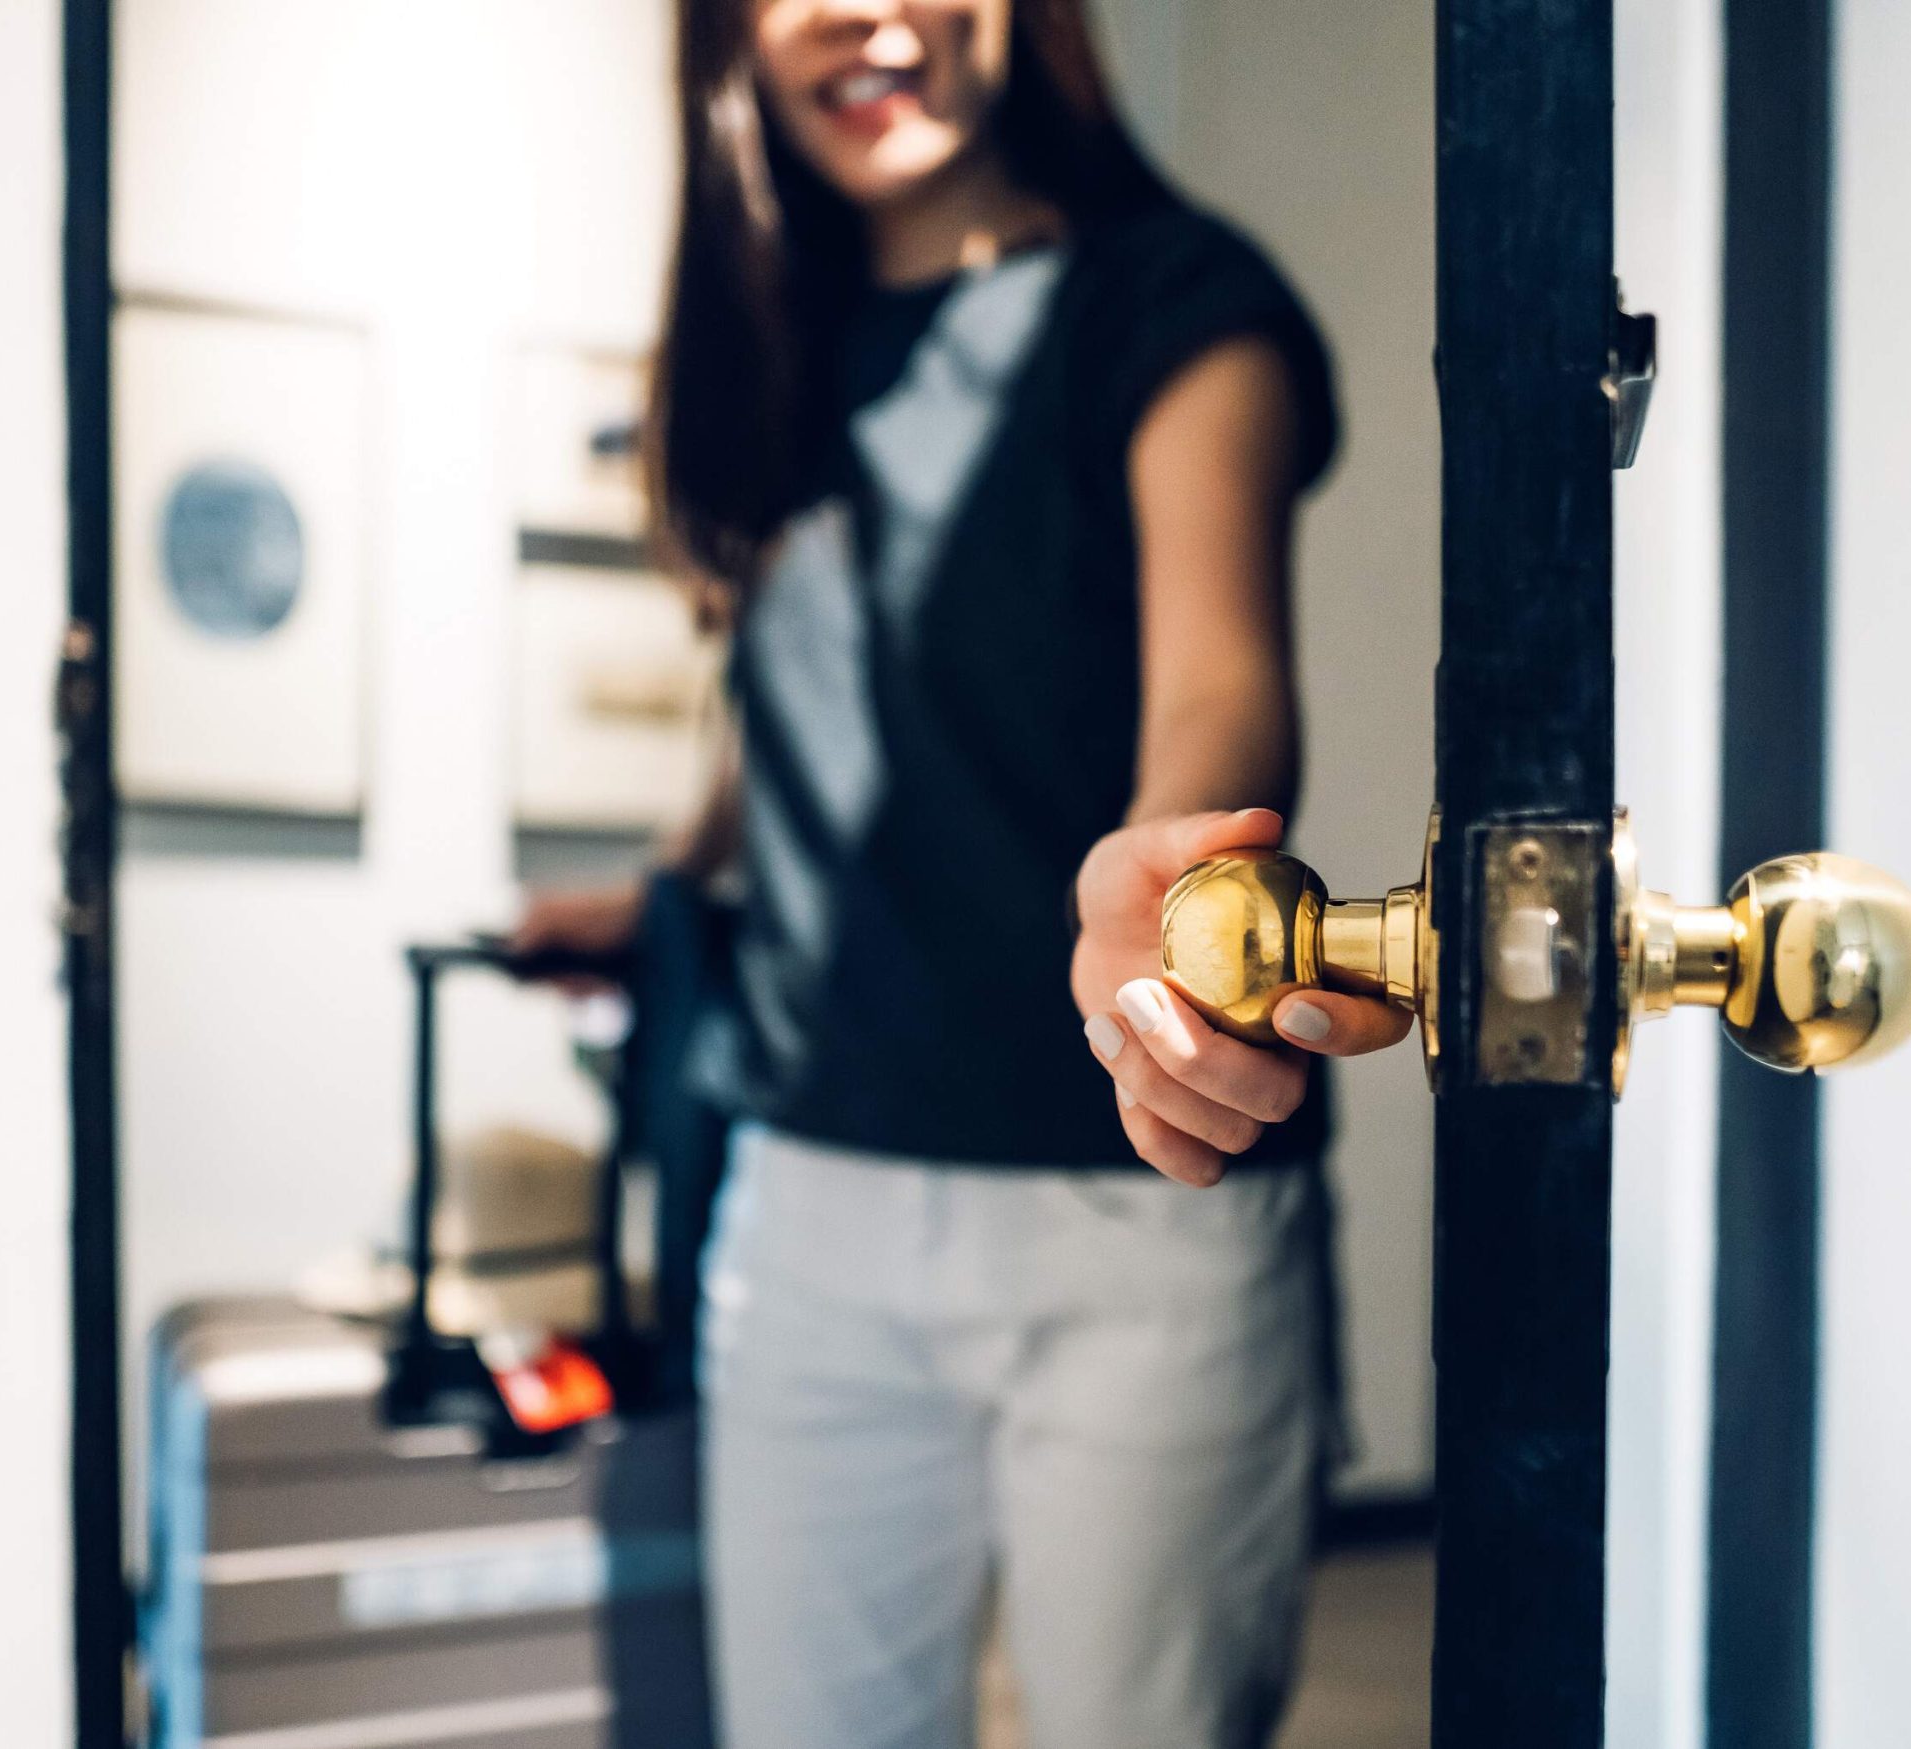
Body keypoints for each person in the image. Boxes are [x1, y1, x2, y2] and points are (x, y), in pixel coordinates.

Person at [515, 2, 1411, 1744]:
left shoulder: (1175, 302)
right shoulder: (779, 338)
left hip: (1137, 1205)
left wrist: (1163, 892)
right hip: (814, 1210)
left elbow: (1219, 681)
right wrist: (666, 887)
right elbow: (805, 693)